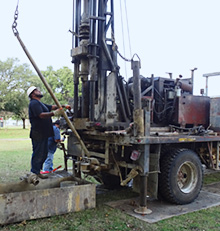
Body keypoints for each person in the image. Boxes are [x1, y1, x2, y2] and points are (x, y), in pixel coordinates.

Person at [27, 86, 68, 179]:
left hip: (44, 133)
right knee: (38, 153)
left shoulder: (40, 103)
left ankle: (37, 172)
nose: (39, 90)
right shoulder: (34, 103)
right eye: (37, 90)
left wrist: (63, 106)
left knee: (44, 153)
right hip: (38, 133)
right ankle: (34, 172)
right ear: (33, 94)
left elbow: (52, 107)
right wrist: (55, 113)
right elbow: (41, 115)